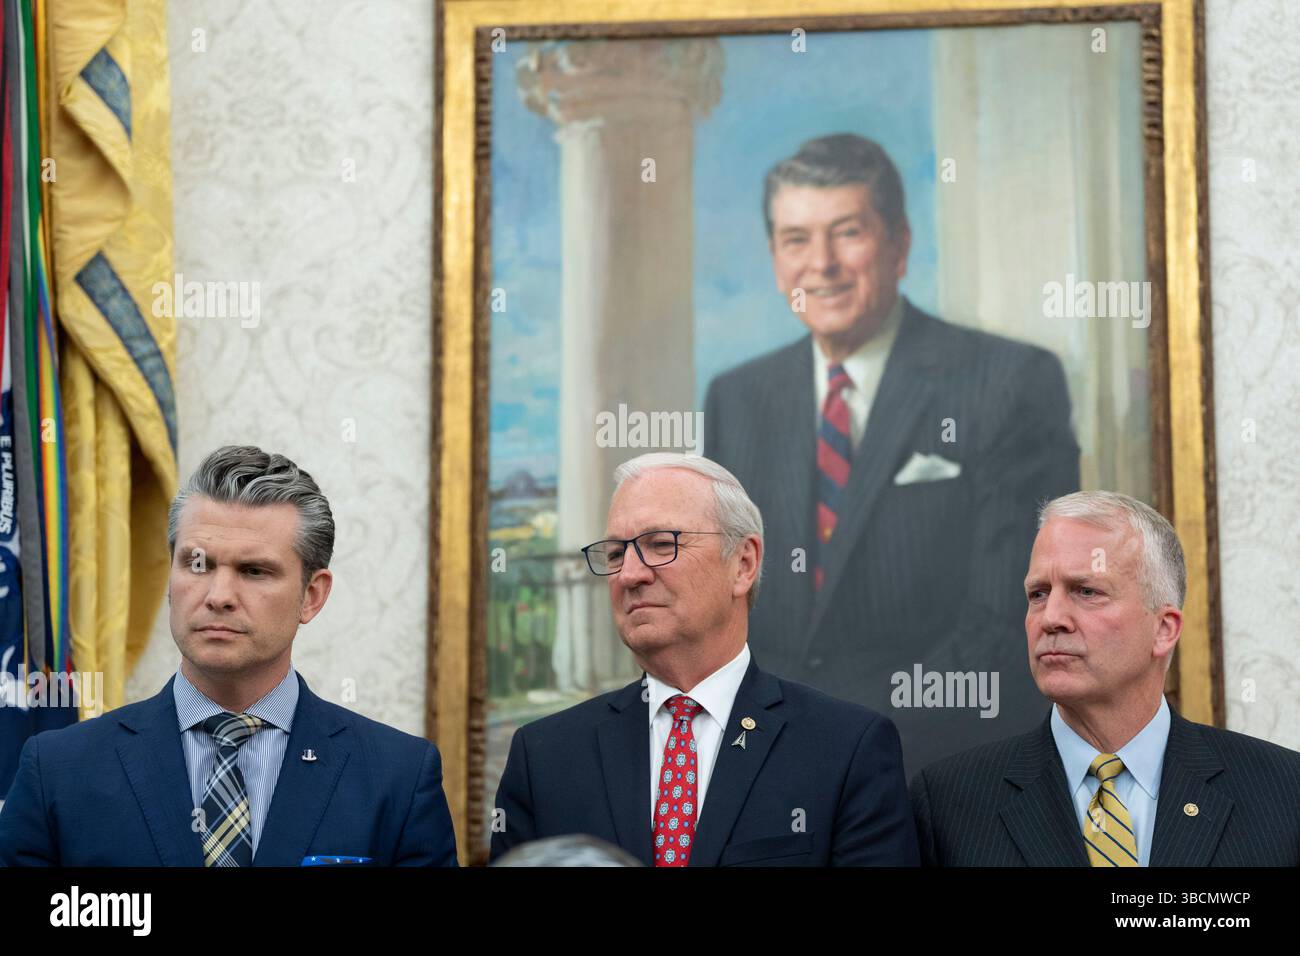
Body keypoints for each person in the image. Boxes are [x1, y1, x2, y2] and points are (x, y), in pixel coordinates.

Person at [704, 133, 1080, 773]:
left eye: (847, 231)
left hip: (944, 776)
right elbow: (721, 609)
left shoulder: (1009, 383)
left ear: (899, 245)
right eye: (797, 239)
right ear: (775, 258)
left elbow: (1003, 624)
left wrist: (838, 752)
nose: (820, 263)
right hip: (763, 771)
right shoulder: (735, 398)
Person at [0, 445, 457, 866]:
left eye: (254, 571)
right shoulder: (57, 771)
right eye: (197, 564)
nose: (218, 595)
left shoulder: (398, 777)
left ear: (311, 596)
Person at [491, 452, 918, 866]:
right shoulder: (546, 757)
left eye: (660, 544)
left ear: (743, 564)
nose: (629, 575)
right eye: (617, 554)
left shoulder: (845, 749)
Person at [910, 491, 1300, 866]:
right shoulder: (949, 805)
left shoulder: (1283, 793)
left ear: (1164, 629)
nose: (1051, 618)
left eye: (1086, 591)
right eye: (1038, 594)